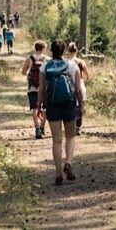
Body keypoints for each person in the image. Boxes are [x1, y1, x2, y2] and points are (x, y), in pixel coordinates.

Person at [37, 40, 83, 186]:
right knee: (70, 136)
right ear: (64, 51)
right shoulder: (72, 65)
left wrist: (39, 106)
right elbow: (77, 88)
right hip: (69, 104)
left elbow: (41, 89)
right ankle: (68, 162)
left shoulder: (45, 67)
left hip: (52, 105)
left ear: (51, 51)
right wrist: (81, 105)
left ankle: (58, 175)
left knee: (56, 140)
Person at [21, 41, 50, 139]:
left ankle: (37, 128)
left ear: (35, 48)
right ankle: (42, 127)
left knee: (35, 109)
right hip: (44, 87)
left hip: (32, 88)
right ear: (43, 48)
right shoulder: (47, 59)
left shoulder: (30, 59)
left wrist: (30, 73)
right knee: (45, 109)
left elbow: (23, 72)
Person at [67, 42, 89, 136]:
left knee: (70, 106)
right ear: (76, 51)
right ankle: (78, 127)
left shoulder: (66, 62)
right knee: (80, 105)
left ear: (68, 51)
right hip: (79, 84)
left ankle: (71, 125)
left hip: (68, 85)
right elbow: (87, 74)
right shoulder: (81, 62)